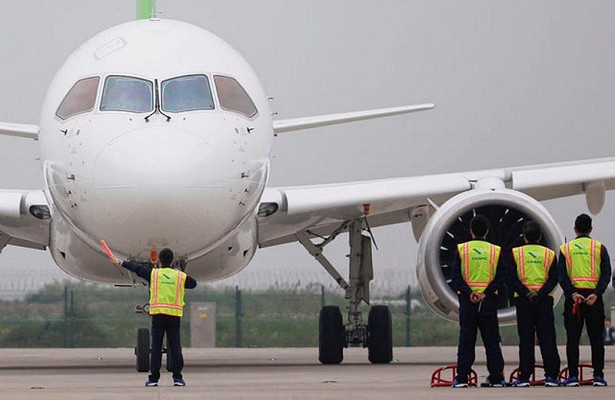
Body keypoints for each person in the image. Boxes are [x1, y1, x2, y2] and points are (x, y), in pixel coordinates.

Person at [111, 248, 197, 387]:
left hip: (158, 315)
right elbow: (193, 284)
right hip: (174, 315)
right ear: (173, 261)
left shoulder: (153, 274)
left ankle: (153, 379)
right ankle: (178, 378)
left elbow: (137, 268)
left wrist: (119, 262)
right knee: (175, 347)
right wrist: (179, 274)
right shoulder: (180, 276)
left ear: (159, 260)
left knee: (156, 347)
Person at [449, 215, 506, 388]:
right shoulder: (495, 251)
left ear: (471, 231)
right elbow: (500, 277)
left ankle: (462, 378)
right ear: (487, 231)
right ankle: (496, 377)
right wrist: (485, 293)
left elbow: (455, 277)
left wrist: (470, 292)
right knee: (492, 341)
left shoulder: (462, 249)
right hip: (488, 302)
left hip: (468, 302)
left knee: (466, 340)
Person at [558, 213, 611, 387]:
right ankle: (598, 375)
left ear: (575, 229)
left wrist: (572, 293)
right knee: (596, 339)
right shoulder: (599, 247)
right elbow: (606, 274)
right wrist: (597, 293)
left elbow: (562, 276)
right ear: (591, 229)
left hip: (574, 299)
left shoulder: (565, 249)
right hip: (593, 299)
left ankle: (573, 376)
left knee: (573, 339)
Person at [507, 220, 561, 387]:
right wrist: (540, 293)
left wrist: (527, 293)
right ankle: (552, 375)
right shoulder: (549, 254)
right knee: (547, 338)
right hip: (543, 301)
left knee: (526, 339)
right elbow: (554, 279)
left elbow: (511, 279)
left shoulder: (515, 253)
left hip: (524, 300)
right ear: (540, 237)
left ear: (524, 238)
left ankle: (524, 376)